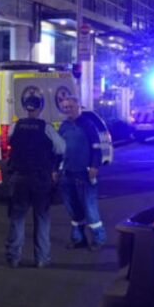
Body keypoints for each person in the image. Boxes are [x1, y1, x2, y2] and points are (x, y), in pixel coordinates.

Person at [5, 94, 65, 268]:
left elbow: (9, 143)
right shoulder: (46, 128)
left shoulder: (15, 126)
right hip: (40, 179)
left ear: (26, 108)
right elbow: (61, 148)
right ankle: (41, 258)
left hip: (19, 177)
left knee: (17, 218)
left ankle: (13, 257)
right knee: (42, 218)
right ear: (40, 108)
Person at [57, 95, 106, 251]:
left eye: (70, 107)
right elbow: (58, 150)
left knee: (89, 207)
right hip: (67, 172)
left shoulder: (88, 125)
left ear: (78, 106)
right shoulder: (63, 126)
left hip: (84, 173)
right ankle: (78, 238)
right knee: (72, 208)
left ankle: (99, 238)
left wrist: (94, 166)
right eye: (65, 107)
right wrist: (55, 169)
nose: (67, 110)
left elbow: (97, 147)